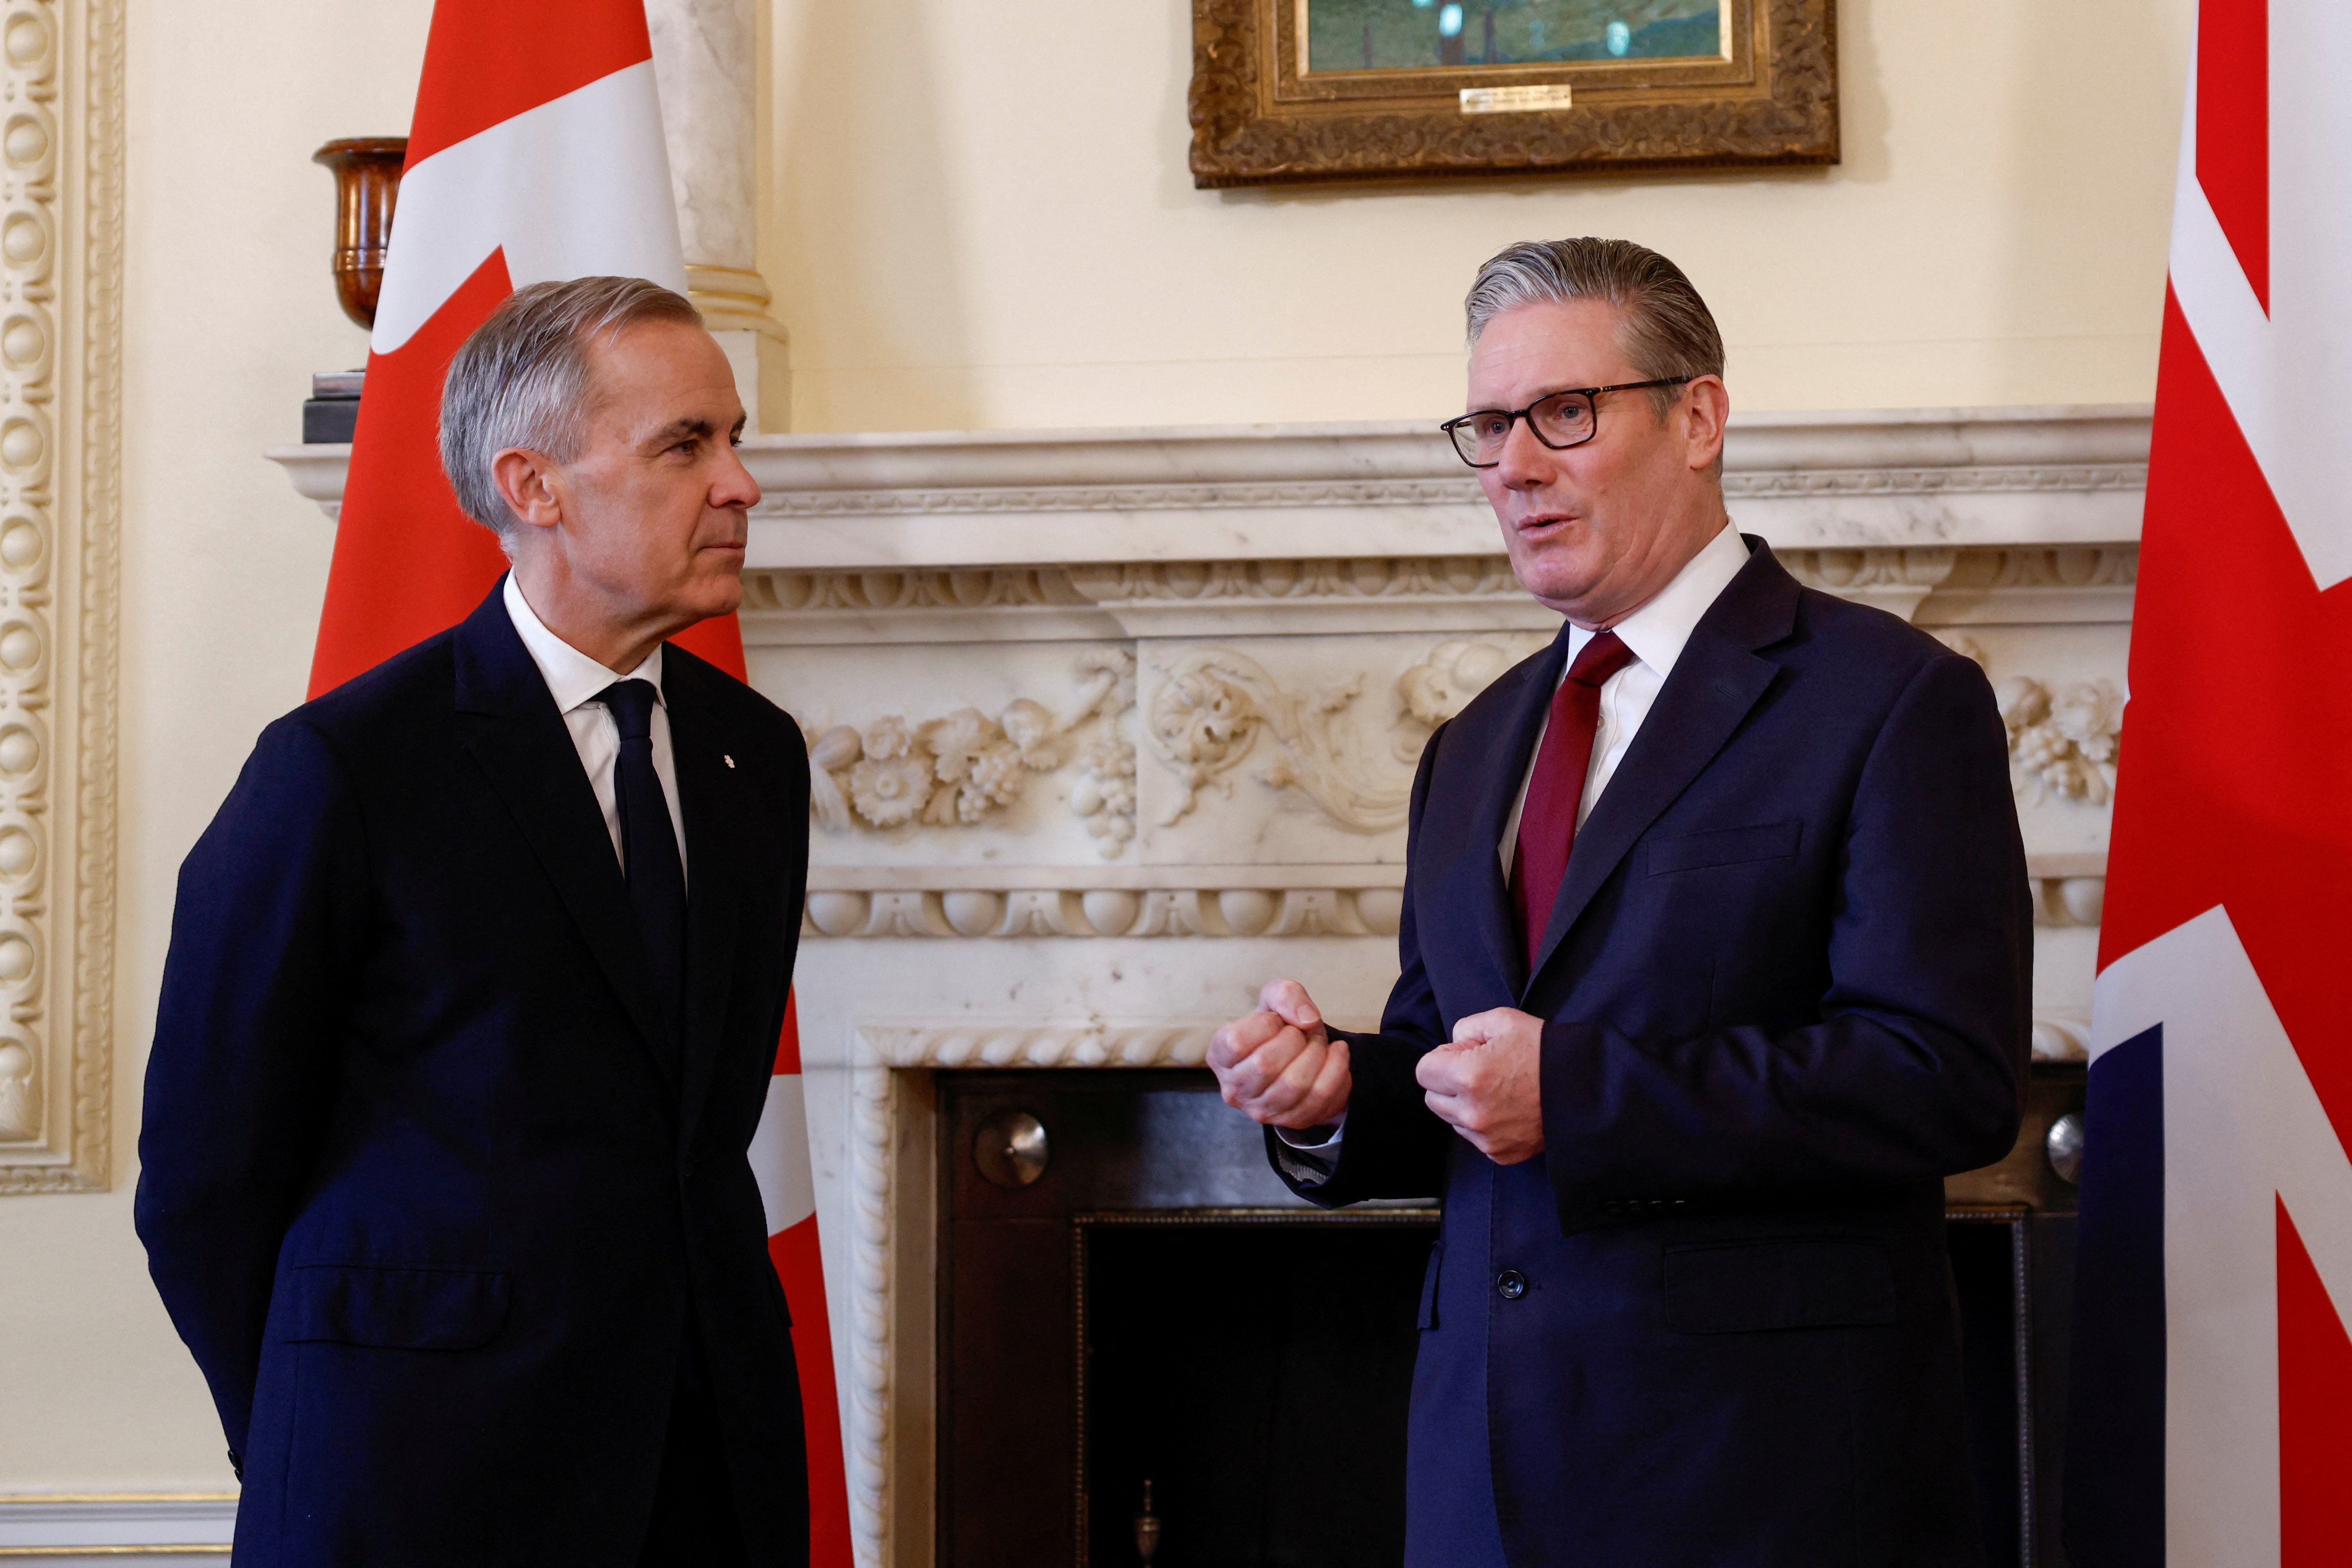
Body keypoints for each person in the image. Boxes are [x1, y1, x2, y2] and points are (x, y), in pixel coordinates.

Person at [1207, 239, 2032, 1567]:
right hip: (1483, 1474)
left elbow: (1940, 1076)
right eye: (1487, 426)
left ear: (1697, 418)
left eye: (1563, 415)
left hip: (1760, 1480)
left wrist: (1581, 1094)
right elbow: (1454, 1070)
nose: (1514, 465)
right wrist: (1331, 1099)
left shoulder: (1885, 699)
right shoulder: (1473, 745)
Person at [136, 277, 811, 1568]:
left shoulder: (753, 756)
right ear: (533, 485)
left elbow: (693, 1133)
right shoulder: (343, 767)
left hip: (702, 1474)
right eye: (686, 444)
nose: (740, 486)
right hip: (413, 1481)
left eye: (734, 439)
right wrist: (312, 1419)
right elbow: (205, 1185)